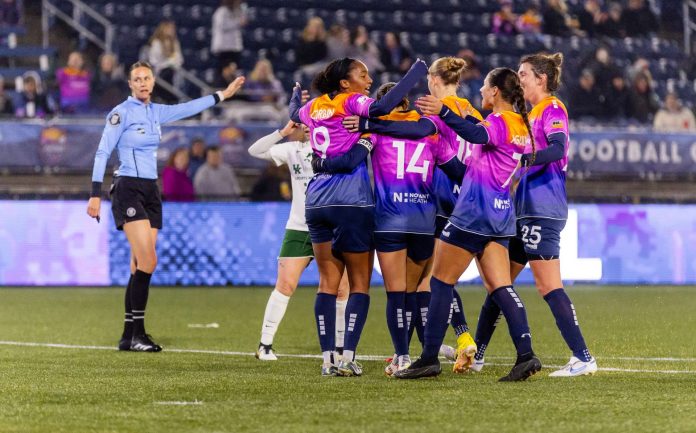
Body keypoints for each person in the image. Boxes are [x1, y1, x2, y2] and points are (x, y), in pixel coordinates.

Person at [86, 61, 245, 352]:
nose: (143, 82)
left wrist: (223, 95)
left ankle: (128, 335)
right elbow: (102, 152)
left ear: (153, 81)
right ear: (130, 84)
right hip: (128, 187)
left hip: (150, 190)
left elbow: (188, 108)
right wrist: (95, 194)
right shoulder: (121, 113)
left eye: (147, 78)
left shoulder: (156, 112)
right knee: (148, 261)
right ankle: (138, 334)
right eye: (138, 79)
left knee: (139, 265)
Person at [395, 67, 542, 381]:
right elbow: (476, 161)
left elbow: (476, 134)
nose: (481, 92)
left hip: (474, 211)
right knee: (500, 286)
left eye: (485, 87)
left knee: (440, 282)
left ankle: (429, 358)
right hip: (500, 214)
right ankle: (526, 355)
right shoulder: (521, 126)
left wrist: (445, 110)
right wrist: (446, 148)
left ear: (495, 92)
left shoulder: (499, 121)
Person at [289, 57, 427, 376]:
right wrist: (413, 75)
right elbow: (381, 109)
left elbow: (295, 114)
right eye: (362, 75)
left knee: (326, 283)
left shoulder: (315, 108)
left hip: (316, 201)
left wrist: (294, 98)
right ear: (345, 83)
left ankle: (327, 361)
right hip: (351, 201)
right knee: (360, 284)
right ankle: (348, 356)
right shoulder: (352, 102)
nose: (368, 80)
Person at [320, 82, 466, 375]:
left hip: (389, 220)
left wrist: (321, 160)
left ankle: (401, 356)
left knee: (396, 294)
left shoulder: (374, 130)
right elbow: (461, 172)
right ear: (407, 102)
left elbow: (349, 160)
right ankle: (426, 353)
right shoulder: (430, 130)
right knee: (414, 291)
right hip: (424, 222)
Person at [470, 53, 597, 378]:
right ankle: (477, 354)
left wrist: (523, 156)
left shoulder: (553, 108)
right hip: (523, 211)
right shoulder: (529, 114)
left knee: (548, 286)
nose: (520, 78)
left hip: (543, 209)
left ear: (541, 78)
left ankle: (582, 357)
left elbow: (556, 148)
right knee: (500, 284)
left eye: (524, 74)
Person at [248, 120, 350, 360]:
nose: (307, 127)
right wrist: (282, 132)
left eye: (313, 122)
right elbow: (255, 151)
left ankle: (339, 347)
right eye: (303, 123)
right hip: (299, 228)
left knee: (341, 289)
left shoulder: (336, 148)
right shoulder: (292, 149)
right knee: (285, 286)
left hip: (332, 227)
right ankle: (265, 345)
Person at [147, 20, 184, 103]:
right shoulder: (157, 42)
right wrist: (169, 62)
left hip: (173, 70)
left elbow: (179, 59)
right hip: (160, 71)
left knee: (174, 73)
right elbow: (154, 60)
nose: (171, 30)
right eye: (169, 28)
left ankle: (172, 98)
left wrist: (172, 63)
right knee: (166, 73)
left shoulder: (175, 43)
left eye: (172, 28)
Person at [211, 0, 247, 75]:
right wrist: (238, 23)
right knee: (223, 72)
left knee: (236, 71)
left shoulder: (237, 12)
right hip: (223, 48)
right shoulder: (221, 12)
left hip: (235, 47)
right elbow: (223, 26)